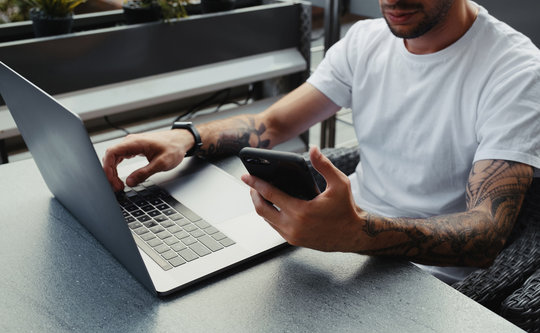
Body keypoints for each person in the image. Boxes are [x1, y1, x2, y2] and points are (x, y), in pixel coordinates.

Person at [103, 0, 540, 283]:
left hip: (425, 280)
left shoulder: (516, 72)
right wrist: (185, 136)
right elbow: (271, 123)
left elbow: (486, 234)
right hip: (334, 250)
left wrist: (357, 233)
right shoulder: (366, 41)